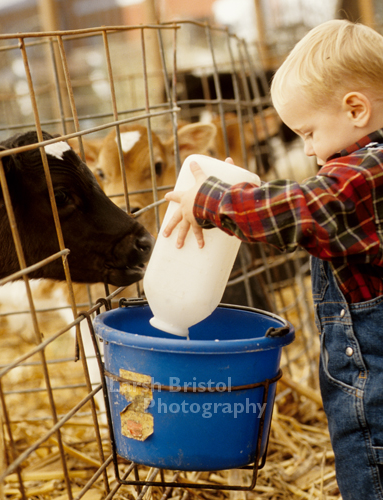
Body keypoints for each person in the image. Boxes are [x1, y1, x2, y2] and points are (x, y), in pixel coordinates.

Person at [162, 19, 383, 500]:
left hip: (375, 381)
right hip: (363, 366)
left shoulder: (367, 173)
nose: (306, 149)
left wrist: (212, 199)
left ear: (355, 108)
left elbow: (307, 210)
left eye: (307, 132)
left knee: (371, 462)